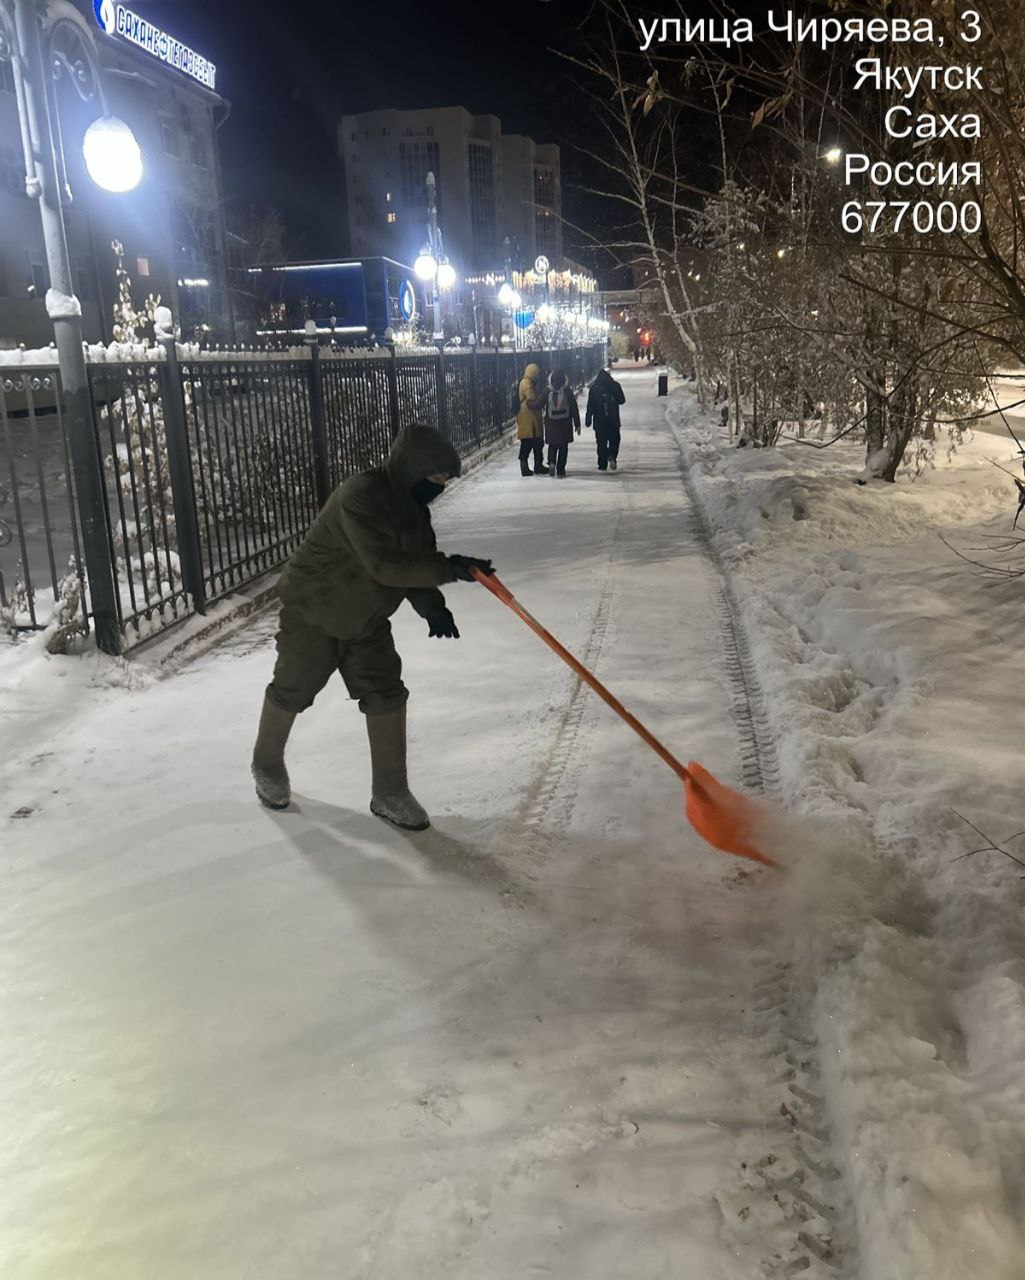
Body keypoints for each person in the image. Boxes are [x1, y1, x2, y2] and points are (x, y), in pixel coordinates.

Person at [251, 424, 494, 831]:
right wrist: (449, 568)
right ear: (411, 470)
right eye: (434, 480)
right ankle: (266, 762)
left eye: (443, 483)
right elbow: (384, 565)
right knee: (292, 688)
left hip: (366, 620)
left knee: (387, 694)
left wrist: (434, 607)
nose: (439, 489)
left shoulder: (415, 514)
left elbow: (418, 560)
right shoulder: (360, 495)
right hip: (314, 612)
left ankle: (390, 792)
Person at [585, 363, 627, 472]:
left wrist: (588, 418)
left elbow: (591, 405)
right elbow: (622, 400)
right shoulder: (615, 386)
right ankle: (612, 455)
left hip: (600, 421)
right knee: (615, 440)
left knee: (601, 442)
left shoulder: (594, 389)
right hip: (613, 420)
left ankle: (602, 464)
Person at [543, 369, 581, 478]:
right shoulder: (567, 391)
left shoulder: (547, 391)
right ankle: (560, 469)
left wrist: (528, 403)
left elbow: (538, 403)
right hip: (565, 424)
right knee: (563, 448)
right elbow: (574, 408)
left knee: (552, 446)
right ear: (564, 379)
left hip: (551, 424)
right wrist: (577, 424)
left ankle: (551, 463)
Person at [516, 362, 549, 475]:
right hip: (529, 419)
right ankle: (527, 467)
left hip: (531, 418)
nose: (538, 376)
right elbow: (531, 398)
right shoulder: (527, 383)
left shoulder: (528, 382)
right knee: (529, 442)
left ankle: (536, 465)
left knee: (535, 443)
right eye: (537, 373)